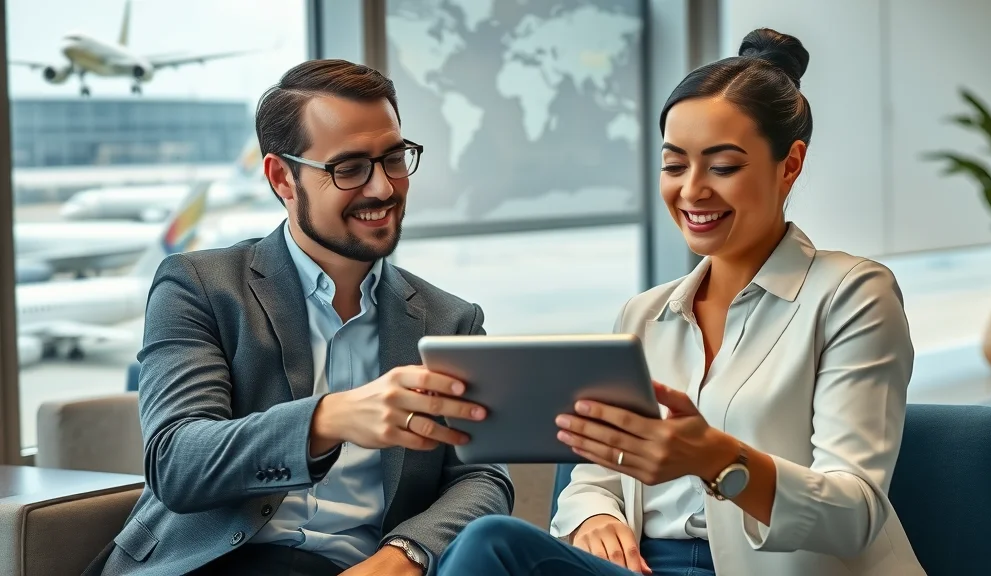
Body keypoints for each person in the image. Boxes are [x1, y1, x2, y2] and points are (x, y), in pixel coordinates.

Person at [437, 28, 926, 576]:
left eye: (723, 167)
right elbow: (592, 479)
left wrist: (714, 458)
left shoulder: (853, 294)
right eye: (674, 165)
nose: (692, 190)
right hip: (646, 566)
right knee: (491, 543)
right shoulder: (645, 315)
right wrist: (594, 517)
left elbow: (853, 514)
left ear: (789, 165)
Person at [84, 59, 513, 576]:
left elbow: (483, 476)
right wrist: (329, 418)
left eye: (394, 159)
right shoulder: (201, 285)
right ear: (281, 177)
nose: (382, 188)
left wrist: (405, 555)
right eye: (349, 168)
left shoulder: (451, 319)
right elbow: (176, 461)